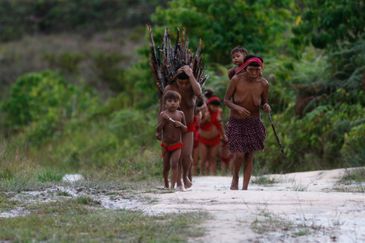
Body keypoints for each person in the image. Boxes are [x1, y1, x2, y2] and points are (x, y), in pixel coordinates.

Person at [224, 55, 271, 190]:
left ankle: (245, 187)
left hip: (254, 122)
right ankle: (235, 177)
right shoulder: (236, 80)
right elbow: (226, 100)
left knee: (249, 154)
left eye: (257, 70)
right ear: (245, 68)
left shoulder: (264, 84)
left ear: (261, 69)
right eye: (251, 70)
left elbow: (264, 102)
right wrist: (238, 108)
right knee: (239, 154)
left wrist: (266, 106)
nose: (254, 73)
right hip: (236, 121)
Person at [164, 65, 203, 189]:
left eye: (186, 82)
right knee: (177, 155)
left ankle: (185, 175)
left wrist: (191, 75)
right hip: (172, 127)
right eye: (180, 82)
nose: (183, 85)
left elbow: (199, 93)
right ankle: (178, 181)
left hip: (188, 126)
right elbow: (162, 109)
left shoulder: (192, 88)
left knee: (186, 155)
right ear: (176, 79)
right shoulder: (169, 88)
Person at [156, 90, 187, 190]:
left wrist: (181, 125)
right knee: (166, 167)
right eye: (169, 101)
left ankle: (173, 186)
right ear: (165, 104)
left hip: (177, 144)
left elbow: (185, 129)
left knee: (174, 163)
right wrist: (162, 124)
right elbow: (158, 129)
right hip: (166, 145)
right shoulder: (163, 114)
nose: (173, 103)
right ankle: (165, 181)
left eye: (175, 101)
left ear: (179, 103)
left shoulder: (181, 114)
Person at [199, 90, 227, 175]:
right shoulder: (204, 111)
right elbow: (198, 124)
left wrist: (224, 135)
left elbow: (220, 125)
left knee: (213, 158)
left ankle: (212, 175)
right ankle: (201, 173)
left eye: (217, 106)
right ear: (209, 105)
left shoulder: (219, 112)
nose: (215, 107)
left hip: (215, 139)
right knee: (203, 158)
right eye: (213, 105)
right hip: (203, 138)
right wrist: (205, 119)